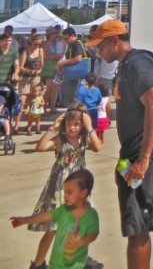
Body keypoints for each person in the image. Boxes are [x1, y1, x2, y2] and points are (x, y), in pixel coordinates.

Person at [86, 20, 153, 269]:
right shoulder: (125, 66)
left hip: (147, 155)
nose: (98, 53)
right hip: (131, 153)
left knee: (138, 230)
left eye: (100, 47)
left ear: (115, 41)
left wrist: (143, 160)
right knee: (134, 225)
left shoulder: (138, 64)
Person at [27, 104, 100, 269]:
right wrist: (52, 128)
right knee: (53, 228)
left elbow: (97, 147)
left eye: (76, 124)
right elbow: (40, 148)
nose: (72, 127)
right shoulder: (61, 139)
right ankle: (38, 264)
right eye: (68, 124)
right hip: (60, 189)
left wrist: (89, 127)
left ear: (82, 124)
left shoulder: (84, 138)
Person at [11, 167, 99, 269]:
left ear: (83, 194)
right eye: (64, 192)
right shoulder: (63, 210)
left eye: (69, 193)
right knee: (52, 229)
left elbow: (93, 235)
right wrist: (24, 220)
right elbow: (45, 217)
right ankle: (38, 265)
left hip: (75, 265)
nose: (65, 196)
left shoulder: (90, 215)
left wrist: (81, 242)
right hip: (56, 264)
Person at [15, 32, 44, 132]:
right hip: (25, 78)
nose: (37, 46)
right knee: (22, 102)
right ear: (31, 43)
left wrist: (39, 70)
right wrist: (30, 71)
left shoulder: (40, 51)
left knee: (33, 103)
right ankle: (16, 126)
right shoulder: (26, 51)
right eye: (35, 44)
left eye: (39, 44)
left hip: (36, 78)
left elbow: (42, 64)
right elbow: (21, 67)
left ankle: (29, 126)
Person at [58, 28, 86, 107]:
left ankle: (74, 112)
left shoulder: (76, 43)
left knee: (73, 95)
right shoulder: (71, 45)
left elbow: (78, 58)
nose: (65, 41)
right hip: (72, 74)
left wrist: (64, 62)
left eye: (66, 39)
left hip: (75, 75)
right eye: (64, 39)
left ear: (73, 35)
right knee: (70, 95)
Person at [42, 27, 64, 113]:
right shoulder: (46, 44)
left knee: (56, 88)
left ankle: (52, 107)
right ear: (48, 35)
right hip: (48, 67)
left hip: (57, 66)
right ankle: (43, 107)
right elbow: (44, 56)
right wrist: (56, 56)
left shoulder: (57, 43)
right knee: (50, 87)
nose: (55, 35)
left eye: (55, 33)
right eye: (53, 33)